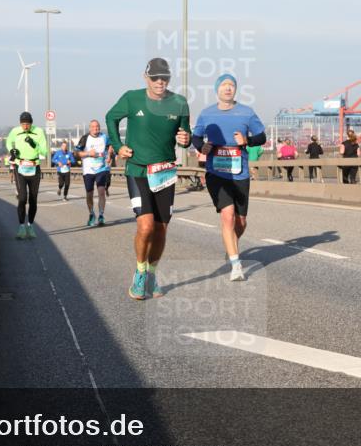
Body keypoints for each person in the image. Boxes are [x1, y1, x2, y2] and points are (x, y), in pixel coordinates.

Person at [105, 58, 190, 300]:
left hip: (164, 171)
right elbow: (111, 117)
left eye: (164, 78)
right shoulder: (132, 98)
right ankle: (140, 272)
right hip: (138, 170)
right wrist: (118, 145)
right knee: (146, 226)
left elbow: (186, 133)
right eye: (155, 78)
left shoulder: (180, 103)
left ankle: (152, 273)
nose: (160, 82)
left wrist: (187, 139)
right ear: (146, 78)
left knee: (162, 228)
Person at [192, 73, 267, 281]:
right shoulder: (207, 114)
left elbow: (262, 136)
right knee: (228, 215)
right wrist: (201, 146)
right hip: (216, 172)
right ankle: (236, 264)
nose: (227, 88)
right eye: (224, 85)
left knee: (240, 222)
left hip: (239, 172)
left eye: (231, 85)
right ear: (217, 89)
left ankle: (231, 245)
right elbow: (196, 137)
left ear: (235, 89)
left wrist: (247, 140)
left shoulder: (246, 112)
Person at [5, 111, 48, 239]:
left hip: (34, 167)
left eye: (27, 124)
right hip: (20, 167)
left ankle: (30, 225)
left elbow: (44, 151)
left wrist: (33, 144)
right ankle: (21, 227)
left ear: (31, 123)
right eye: (23, 124)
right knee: (22, 198)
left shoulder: (39, 132)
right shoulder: (15, 131)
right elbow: (8, 142)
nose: (25, 127)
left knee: (33, 199)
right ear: (20, 124)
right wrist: (11, 150)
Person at [75, 120, 113, 226]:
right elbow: (76, 153)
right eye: (93, 127)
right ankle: (91, 214)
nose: (96, 128)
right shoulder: (85, 138)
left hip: (102, 168)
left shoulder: (104, 137)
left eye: (97, 126)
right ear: (90, 128)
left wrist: (109, 155)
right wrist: (88, 153)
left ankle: (101, 215)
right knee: (89, 194)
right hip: (88, 170)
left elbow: (111, 145)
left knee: (101, 191)